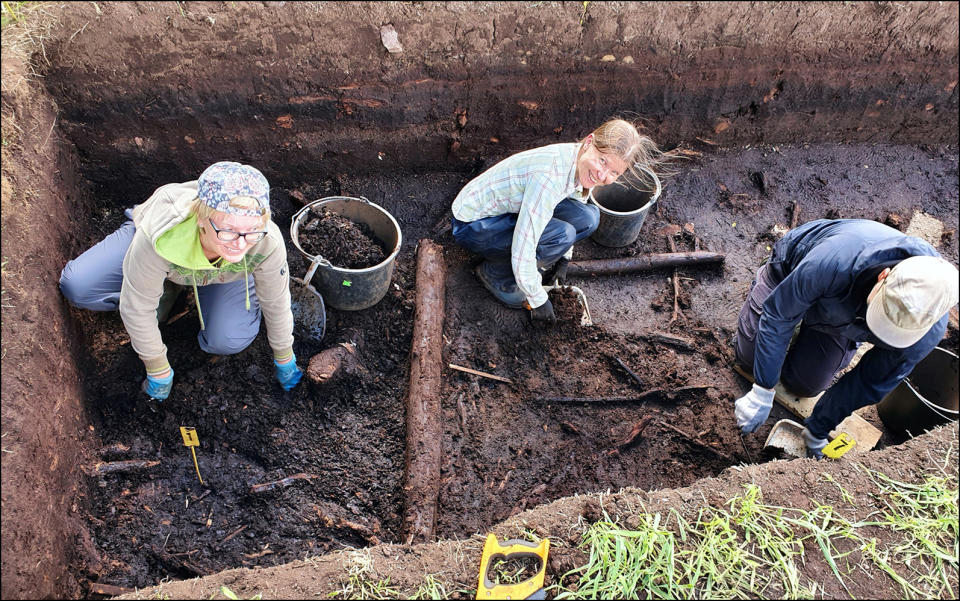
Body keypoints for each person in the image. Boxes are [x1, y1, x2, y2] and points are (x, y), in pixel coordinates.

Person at [60, 161, 304, 403]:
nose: (240, 243)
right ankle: (168, 285)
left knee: (227, 339)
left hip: (223, 273)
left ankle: (173, 283)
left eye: (251, 232)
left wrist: (284, 357)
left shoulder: (265, 241)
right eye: (228, 230)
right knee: (79, 286)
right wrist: (158, 369)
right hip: (164, 254)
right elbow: (137, 309)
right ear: (201, 218)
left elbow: (276, 301)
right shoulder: (163, 236)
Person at [732, 218, 958, 457]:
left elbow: (869, 381)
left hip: (840, 320)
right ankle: (783, 321)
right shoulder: (834, 260)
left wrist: (819, 429)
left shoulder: (924, 333)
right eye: (883, 316)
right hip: (790, 274)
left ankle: (804, 334)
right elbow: (779, 314)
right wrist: (763, 389)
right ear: (883, 276)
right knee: (750, 359)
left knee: (805, 385)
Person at [450, 118, 667, 322]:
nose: (602, 176)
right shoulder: (549, 178)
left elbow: (571, 203)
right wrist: (538, 300)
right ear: (589, 142)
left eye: (614, 173)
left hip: (506, 213)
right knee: (562, 234)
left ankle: (526, 268)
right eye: (602, 161)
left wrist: (564, 256)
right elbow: (523, 245)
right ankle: (497, 276)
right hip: (473, 226)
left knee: (589, 217)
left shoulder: (576, 159)